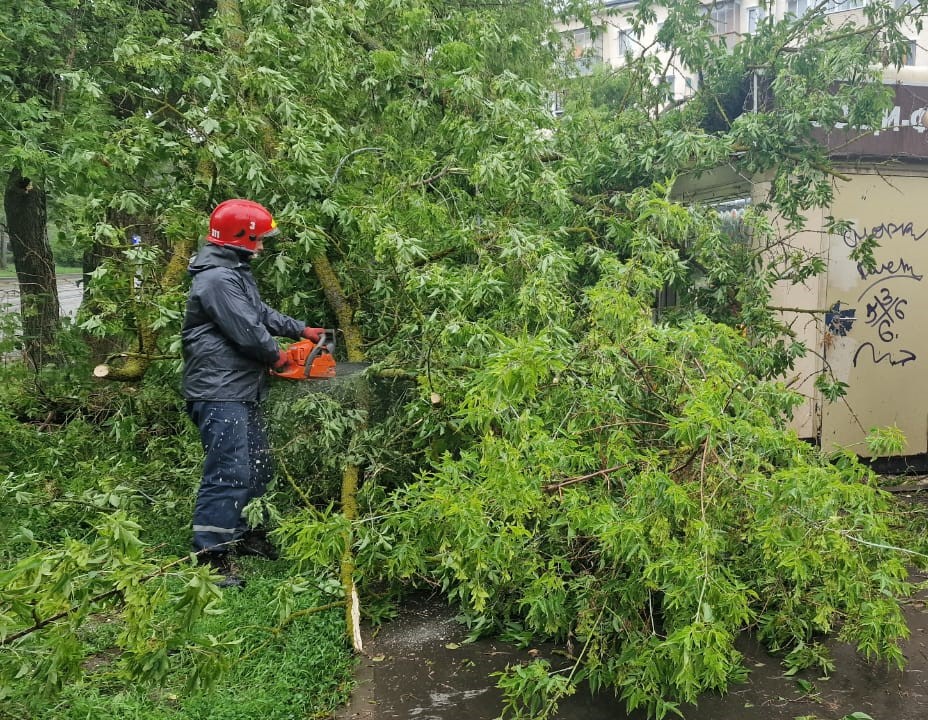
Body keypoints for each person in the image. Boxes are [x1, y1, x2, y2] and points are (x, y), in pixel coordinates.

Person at [181, 198, 323, 587]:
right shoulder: (216, 279)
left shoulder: (233, 272)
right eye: (258, 239)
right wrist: (278, 359)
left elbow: (259, 314)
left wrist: (300, 330)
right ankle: (211, 555)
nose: (261, 247)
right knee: (228, 472)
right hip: (219, 389)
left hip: (240, 386)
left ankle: (244, 534)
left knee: (258, 466)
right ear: (239, 237)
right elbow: (247, 329)